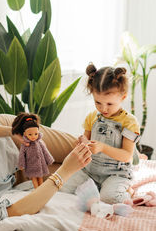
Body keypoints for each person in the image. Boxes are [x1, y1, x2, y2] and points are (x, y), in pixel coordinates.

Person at [60, 63, 141, 205]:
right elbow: (87, 139)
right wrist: (82, 142)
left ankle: (128, 190)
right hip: (90, 170)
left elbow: (127, 156)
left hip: (116, 173)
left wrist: (103, 147)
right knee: (62, 186)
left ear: (123, 97)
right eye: (98, 102)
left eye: (109, 104)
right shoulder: (92, 117)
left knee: (109, 199)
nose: (103, 108)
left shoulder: (129, 122)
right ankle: (97, 187)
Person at [12, 113, 54, 189]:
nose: (33, 137)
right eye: (30, 134)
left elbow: (45, 151)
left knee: (40, 177)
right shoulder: (25, 145)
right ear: (25, 134)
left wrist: (49, 159)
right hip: (31, 164)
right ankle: (36, 190)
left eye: (36, 134)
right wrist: (21, 164)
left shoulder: (40, 142)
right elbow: (22, 155)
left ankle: (41, 189)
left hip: (40, 164)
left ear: (38, 132)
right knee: (34, 178)